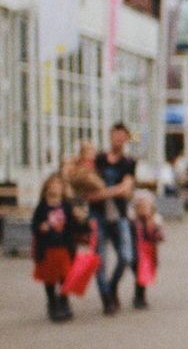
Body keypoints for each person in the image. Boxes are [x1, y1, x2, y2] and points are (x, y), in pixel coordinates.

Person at [86, 124, 136, 314]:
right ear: (110, 136)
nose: (118, 139)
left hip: (119, 215)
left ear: (126, 138)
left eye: (122, 136)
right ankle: (107, 298)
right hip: (97, 215)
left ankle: (112, 285)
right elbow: (87, 188)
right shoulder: (99, 159)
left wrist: (101, 193)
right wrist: (117, 190)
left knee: (126, 256)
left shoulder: (128, 162)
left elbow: (127, 189)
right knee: (99, 259)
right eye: (116, 135)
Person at [32, 172, 87, 322]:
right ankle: (52, 303)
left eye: (57, 185)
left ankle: (64, 301)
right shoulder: (42, 207)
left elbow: (75, 228)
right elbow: (34, 226)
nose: (54, 188)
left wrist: (81, 219)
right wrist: (40, 228)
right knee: (49, 278)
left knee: (65, 277)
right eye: (51, 185)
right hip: (47, 248)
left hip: (64, 248)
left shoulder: (66, 206)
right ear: (46, 189)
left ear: (63, 189)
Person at [131, 189, 164, 310]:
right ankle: (139, 297)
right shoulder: (133, 222)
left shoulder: (155, 220)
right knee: (139, 275)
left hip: (150, 252)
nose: (143, 209)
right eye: (140, 206)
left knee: (144, 275)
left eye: (146, 206)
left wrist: (156, 229)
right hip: (137, 253)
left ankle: (140, 296)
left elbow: (160, 237)